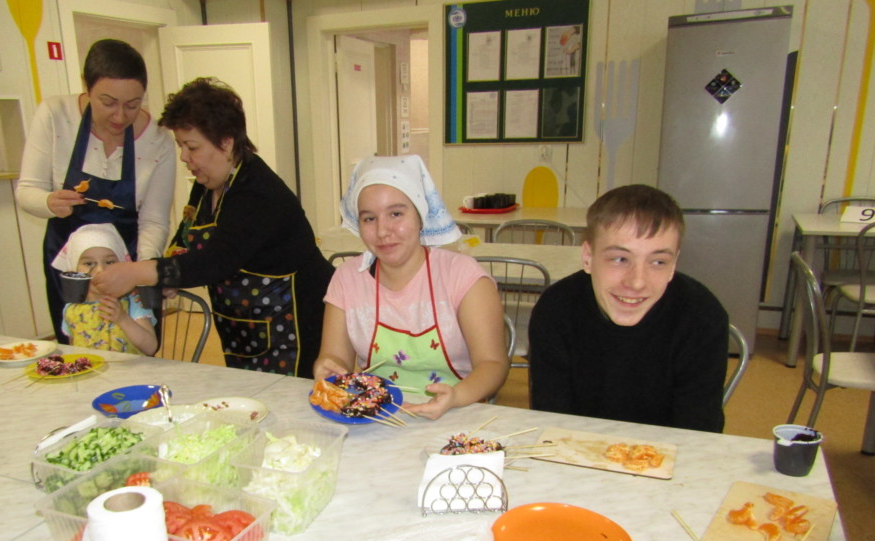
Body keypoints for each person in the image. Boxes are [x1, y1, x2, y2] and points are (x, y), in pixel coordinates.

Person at [91, 77, 333, 377]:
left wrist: (135, 272)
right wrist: (170, 276)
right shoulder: (207, 184)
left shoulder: (257, 192)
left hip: (294, 324)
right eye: (181, 146)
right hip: (246, 326)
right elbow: (186, 239)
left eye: (192, 146)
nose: (184, 157)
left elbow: (215, 261)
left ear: (226, 142)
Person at [314, 155, 509, 420]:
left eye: (396, 214)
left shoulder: (462, 276)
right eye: (369, 218)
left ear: (420, 215)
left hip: (456, 415)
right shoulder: (347, 278)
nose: (383, 231)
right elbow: (335, 357)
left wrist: (456, 396)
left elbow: (493, 364)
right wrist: (328, 367)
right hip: (378, 418)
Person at [527, 184, 729, 432]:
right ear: (588, 257)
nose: (637, 282)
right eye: (620, 259)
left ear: (674, 265)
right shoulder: (556, 310)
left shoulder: (702, 318)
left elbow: (699, 431)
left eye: (658, 262)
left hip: (670, 451)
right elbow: (551, 421)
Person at [15, 39, 176, 343]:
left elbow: (154, 220)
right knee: (77, 346)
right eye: (108, 103)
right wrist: (49, 202)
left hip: (128, 258)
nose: (120, 116)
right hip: (72, 268)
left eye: (133, 105)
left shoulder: (158, 140)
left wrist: (139, 270)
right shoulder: (55, 115)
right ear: (86, 87)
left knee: (135, 344)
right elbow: (27, 191)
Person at [50, 224, 157, 356]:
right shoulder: (72, 309)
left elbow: (151, 347)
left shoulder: (133, 301)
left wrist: (122, 319)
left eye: (110, 262)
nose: (100, 270)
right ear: (75, 270)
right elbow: (74, 350)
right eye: (89, 263)